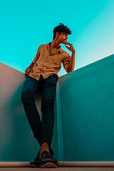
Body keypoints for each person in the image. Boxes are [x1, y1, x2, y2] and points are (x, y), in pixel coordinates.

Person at [21, 23, 75, 168]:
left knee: (47, 106)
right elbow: (34, 60)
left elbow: (69, 69)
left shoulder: (64, 54)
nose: (66, 38)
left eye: (67, 36)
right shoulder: (42, 47)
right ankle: (45, 148)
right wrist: (29, 67)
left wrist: (73, 52)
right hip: (34, 75)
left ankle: (44, 150)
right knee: (26, 95)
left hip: (50, 77)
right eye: (65, 35)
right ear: (57, 34)